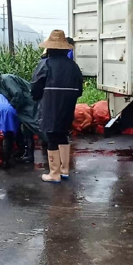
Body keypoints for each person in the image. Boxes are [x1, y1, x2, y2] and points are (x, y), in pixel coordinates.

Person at [31, 30, 83, 183]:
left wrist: (37, 97)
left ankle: (54, 173)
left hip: (50, 105)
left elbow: (35, 88)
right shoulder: (73, 66)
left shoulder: (45, 64)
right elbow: (79, 89)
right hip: (68, 106)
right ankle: (64, 170)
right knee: (63, 135)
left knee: (52, 135)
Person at [0, 65, 47, 163]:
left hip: (29, 106)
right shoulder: (1, 85)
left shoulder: (6, 79)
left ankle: (51, 145)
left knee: (34, 126)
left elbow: (18, 94)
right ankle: (26, 152)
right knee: (24, 129)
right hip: (22, 108)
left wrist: (11, 108)